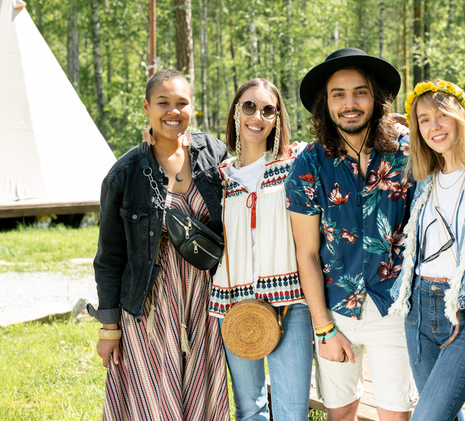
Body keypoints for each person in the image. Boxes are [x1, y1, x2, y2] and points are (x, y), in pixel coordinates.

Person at [285, 48, 418, 421]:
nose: (350, 103)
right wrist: (324, 329)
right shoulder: (309, 164)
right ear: (324, 104)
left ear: (377, 97)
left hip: (394, 306)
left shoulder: (407, 152)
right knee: (340, 414)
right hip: (336, 310)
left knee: (396, 415)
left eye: (360, 92)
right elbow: (307, 254)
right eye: (338, 94)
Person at [89, 69, 230, 420]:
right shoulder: (125, 174)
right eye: (163, 102)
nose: (173, 111)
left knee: (205, 398)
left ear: (192, 107)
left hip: (206, 299)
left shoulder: (213, 153)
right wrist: (109, 328)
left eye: (181, 103)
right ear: (146, 107)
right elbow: (109, 256)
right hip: (151, 303)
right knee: (154, 403)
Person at [388, 79, 465, 421]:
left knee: (428, 416)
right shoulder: (426, 174)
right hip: (418, 308)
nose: (433, 126)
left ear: (463, 116)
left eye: (442, 115)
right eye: (423, 119)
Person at [208, 78, 313, 420]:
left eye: (268, 109)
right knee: (249, 409)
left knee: (291, 413)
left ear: (277, 118)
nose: (258, 115)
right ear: (236, 112)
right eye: (249, 106)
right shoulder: (219, 177)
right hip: (235, 305)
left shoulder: (295, 164)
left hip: (290, 303)